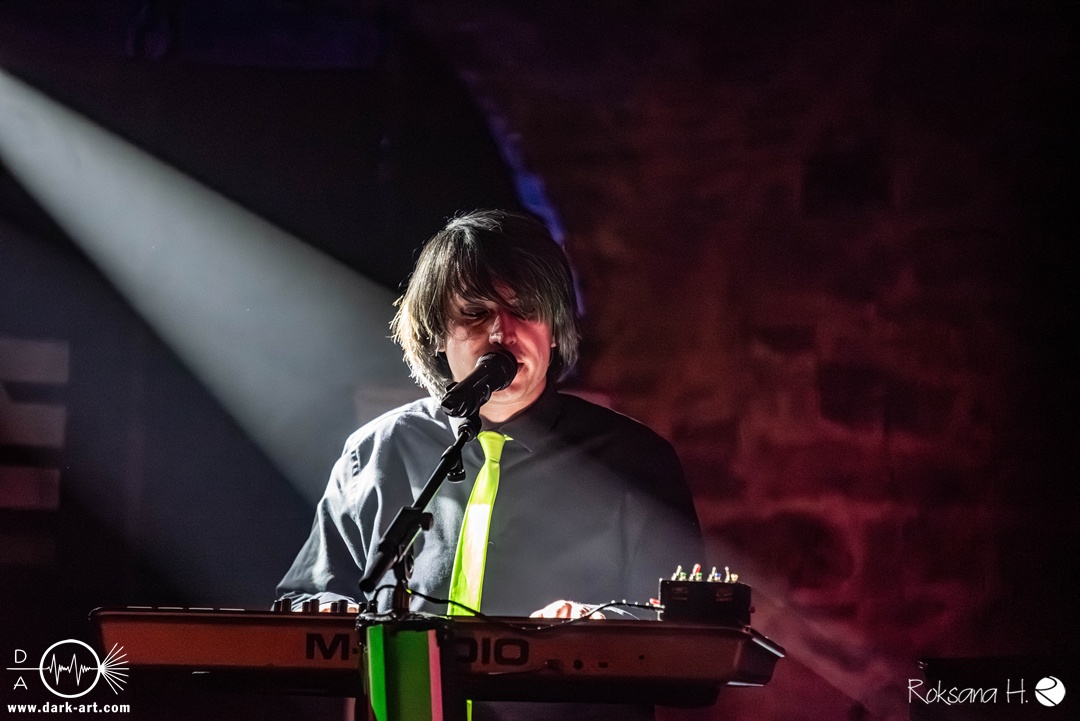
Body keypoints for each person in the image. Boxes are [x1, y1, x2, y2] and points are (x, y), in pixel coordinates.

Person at [277, 209, 704, 720]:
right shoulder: (378, 451)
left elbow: (691, 646)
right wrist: (326, 611)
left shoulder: (635, 462)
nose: (502, 333)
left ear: (555, 329)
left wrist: (602, 626)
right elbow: (309, 599)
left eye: (525, 310)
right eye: (475, 313)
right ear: (437, 332)